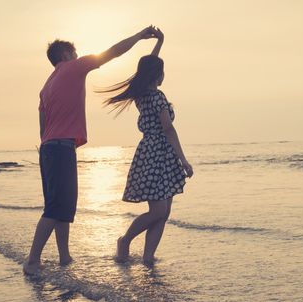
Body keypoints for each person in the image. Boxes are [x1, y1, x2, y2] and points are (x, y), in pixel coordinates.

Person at [23, 26, 158, 275]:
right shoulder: (73, 68)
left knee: (64, 206)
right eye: (74, 52)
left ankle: (64, 257)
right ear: (65, 54)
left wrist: (52, 146)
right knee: (55, 208)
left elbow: (42, 126)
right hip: (61, 148)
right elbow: (112, 52)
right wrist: (139, 37)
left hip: (50, 148)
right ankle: (32, 261)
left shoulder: (46, 86)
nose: (77, 55)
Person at [99, 27, 193, 266]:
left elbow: (149, 66)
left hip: (153, 153)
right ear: (157, 75)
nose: (164, 75)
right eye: (162, 72)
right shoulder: (157, 97)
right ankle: (125, 240)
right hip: (157, 154)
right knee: (159, 211)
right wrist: (183, 159)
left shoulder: (141, 93)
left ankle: (148, 258)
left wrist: (160, 42)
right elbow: (169, 129)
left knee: (163, 211)